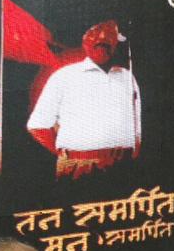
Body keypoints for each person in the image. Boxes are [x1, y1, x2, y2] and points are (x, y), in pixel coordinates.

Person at [27, 19, 141, 180]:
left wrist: (132, 156)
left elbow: (136, 127)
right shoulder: (64, 76)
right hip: (79, 166)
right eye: (95, 35)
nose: (102, 39)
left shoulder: (127, 77)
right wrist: (71, 153)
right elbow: (37, 126)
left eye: (109, 37)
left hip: (124, 165)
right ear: (84, 41)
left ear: (116, 42)